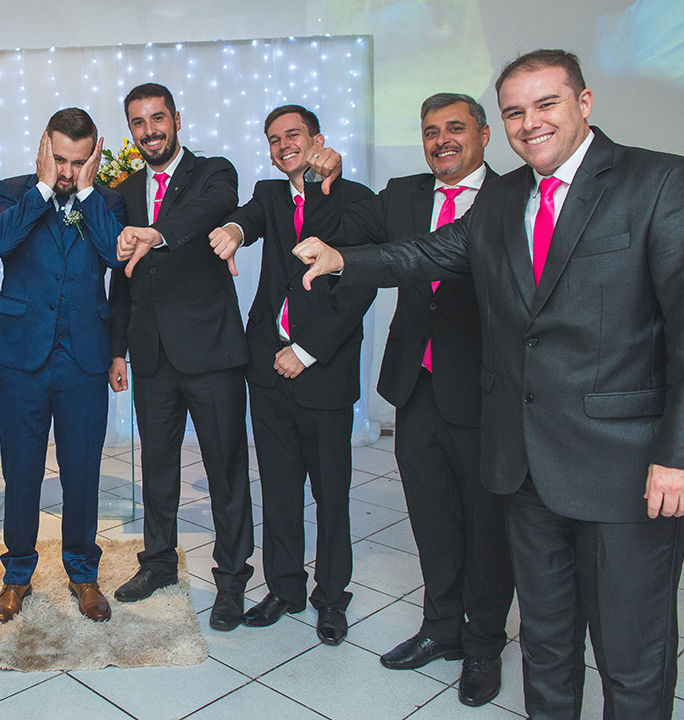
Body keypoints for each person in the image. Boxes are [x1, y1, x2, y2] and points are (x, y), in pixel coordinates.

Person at [294, 49, 684, 719]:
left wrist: (680, 454)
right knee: (545, 643)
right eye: (516, 110)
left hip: (624, 470)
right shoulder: (506, 195)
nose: (529, 122)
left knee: (629, 656)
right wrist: (344, 259)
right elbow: (431, 250)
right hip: (525, 466)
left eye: (546, 104)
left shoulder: (658, 182)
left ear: (584, 103)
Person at [306, 92, 514, 706]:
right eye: (431, 131)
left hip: (482, 389)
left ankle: (483, 644)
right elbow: (343, 242)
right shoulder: (401, 194)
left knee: (486, 526)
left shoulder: (511, 198)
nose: (442, 140)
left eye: (455, 128)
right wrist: (330, 184)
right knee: (431, 518)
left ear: (483, 134)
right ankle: (441, 627)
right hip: (413, 384)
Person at [209, 105, 375, 645]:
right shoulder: (269, 193)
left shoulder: (357, 201)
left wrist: (306, 351)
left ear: (318, 139)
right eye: (274, 138)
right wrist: (234, 228)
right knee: (279, 487)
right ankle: (285, 587)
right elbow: (249, 219)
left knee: (331, 492)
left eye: (294, 135)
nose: (284, 145)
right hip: (267, 368)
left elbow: (360, 287)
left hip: (322, 369)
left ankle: (331, 597)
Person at [107, 83, 253, 630]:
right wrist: (116, 349)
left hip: (211, 350)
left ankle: (233, 578)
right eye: (139, 123)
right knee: (157, 467)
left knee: (226, 471)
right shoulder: (121, 190)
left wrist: (155, 234)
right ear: (131, 131)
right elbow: (118, 281)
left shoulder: (214, 173)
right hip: (150, 354)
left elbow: (208, 212)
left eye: (158, 118)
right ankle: (159, 564)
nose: (150, 131)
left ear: (176, 119)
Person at [0, 108, 127, 623]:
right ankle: (17, 575)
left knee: (82, 472)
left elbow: (116, 258)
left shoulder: (107, 200)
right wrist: (43, 190)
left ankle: (83, 574)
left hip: (84, 357)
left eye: (79, 162)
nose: (68, 171)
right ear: (45, 145)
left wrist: (86, 194)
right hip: (22, 357)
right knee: (21, 473)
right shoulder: (12, 189)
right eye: (60, 160)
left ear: (95, 154)